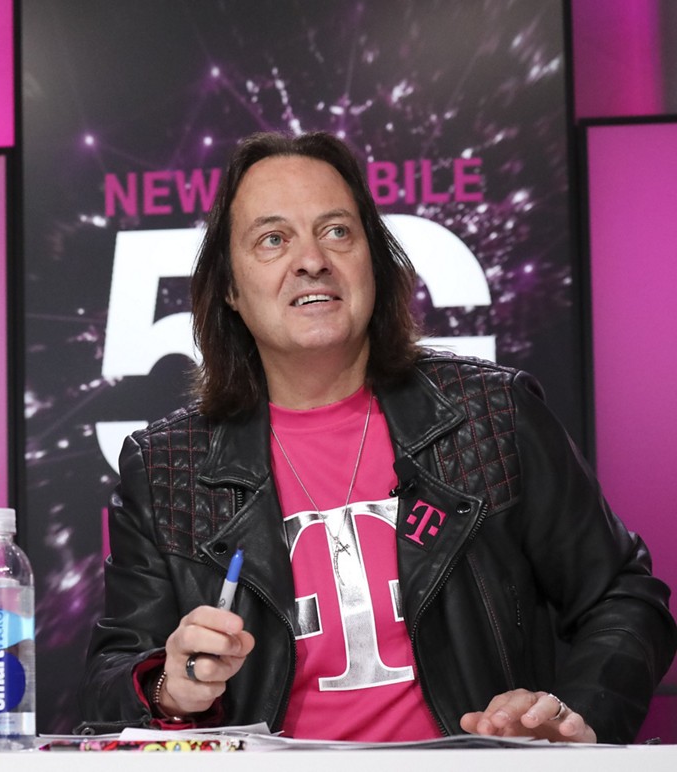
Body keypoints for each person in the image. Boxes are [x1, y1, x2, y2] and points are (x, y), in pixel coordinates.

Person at [80, 131, 676, 744]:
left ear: (376, 262)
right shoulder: (165, 468)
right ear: (230, 289)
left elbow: (624, 598)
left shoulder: (492, 414)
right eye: (273, 239)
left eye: (337, 231)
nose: (312, 259)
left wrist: (571, 716)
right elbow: (109, 678)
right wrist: (167, 688)